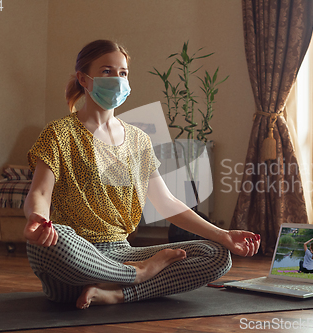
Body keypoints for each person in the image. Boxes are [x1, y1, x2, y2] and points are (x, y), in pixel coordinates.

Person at [23, 39, 261, 310]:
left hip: (122, 253)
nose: (117, 78)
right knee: (53, 241)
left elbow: (166, 202)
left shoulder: (139, 140)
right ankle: (137, 276)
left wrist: (223, 235)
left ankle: (115, 293)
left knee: (217, 255)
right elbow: (40, 193)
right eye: (106, 71)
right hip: (74, 260)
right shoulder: (59, 133)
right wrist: (37, 220)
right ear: (83, 79)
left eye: (122, 73)